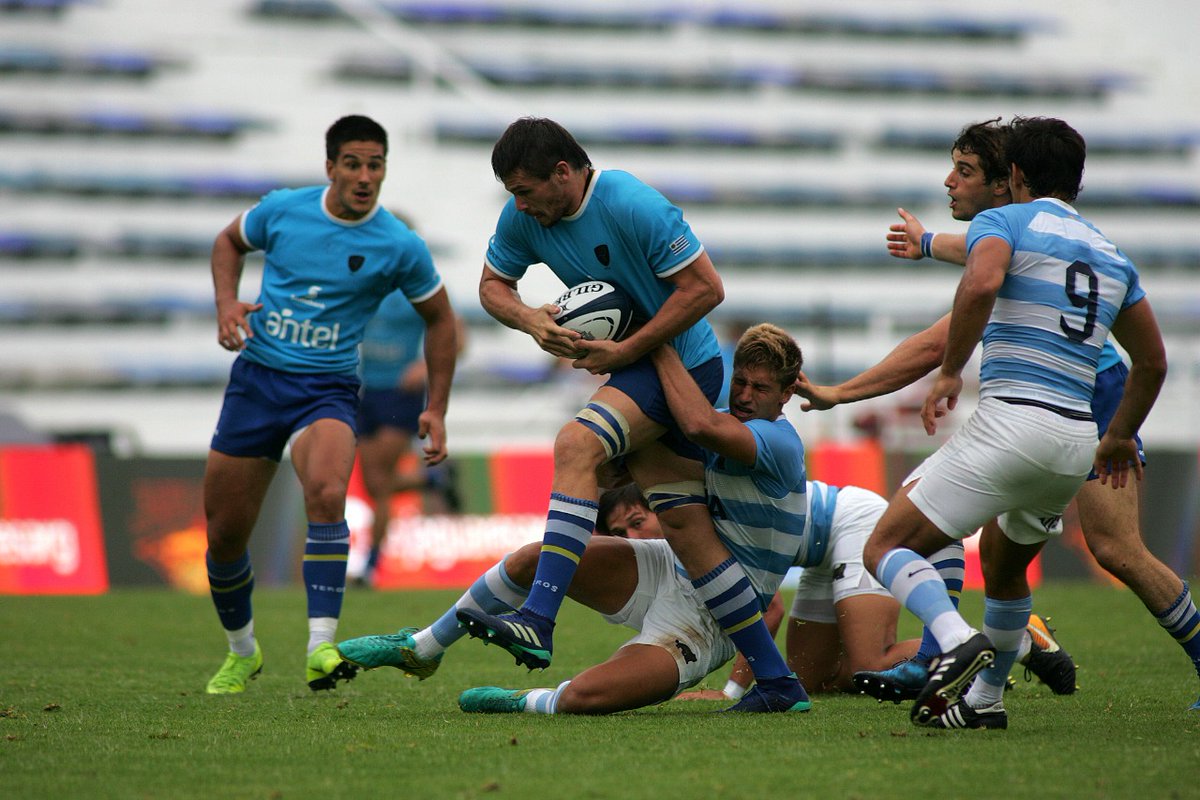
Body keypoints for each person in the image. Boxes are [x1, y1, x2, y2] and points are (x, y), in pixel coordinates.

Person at [806, 118, 1200, 712]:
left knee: (900, 539)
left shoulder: (1007, 232)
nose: (950, 182)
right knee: (999, 557)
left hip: (1063, 405)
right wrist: (923, 246)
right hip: (1077, 430)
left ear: (1008, 180)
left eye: (965, 171)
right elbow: (1154, 359)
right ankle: (981, 697)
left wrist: (944, 373)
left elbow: (965, 301)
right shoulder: (1105, 251)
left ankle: (953, 643)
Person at [456, 117, 808, 711]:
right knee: (685, 530)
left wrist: (627, 349)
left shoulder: (630, 203)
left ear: (563, 173)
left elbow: (705, 289)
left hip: (686, 365)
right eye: (512, 193)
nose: (518, 205)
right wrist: (529, 318)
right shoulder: (523, 216)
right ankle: (777, 681)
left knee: (576, 445)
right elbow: (493, 285)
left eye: (525, 190)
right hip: (634, 364)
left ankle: (538, 617)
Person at [339, 324, 811, 714]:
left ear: (788, 393)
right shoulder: (727, 419)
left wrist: (651, 339)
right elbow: (627, 473)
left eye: (761, 388)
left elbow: (698, 426)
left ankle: (527, 699)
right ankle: (422, 647)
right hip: (673, 565)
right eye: (741, 382)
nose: (746, 395)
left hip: (715, 617)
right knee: (534, 560)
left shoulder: (779, 442)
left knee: (587, 697)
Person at [201, 114, 458, 694]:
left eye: (375, 165)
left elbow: (441, 319)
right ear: (330, 167)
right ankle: (242, 651)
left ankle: (321, 645)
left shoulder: (397, 244)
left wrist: (436, 406)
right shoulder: (284, 211)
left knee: (326, 491)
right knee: (224, 535)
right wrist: (226, 303)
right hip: (257, 383)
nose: (365, 176)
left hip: (329, 388)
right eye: (353, 163)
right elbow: (227, 241)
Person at [353, 293, 465, 587]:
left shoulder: (415, 285)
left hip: (401, 395)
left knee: (379, 486)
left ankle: (370, 566)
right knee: (373, 484)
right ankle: (432, 480)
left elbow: (457, 334)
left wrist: (425, 367)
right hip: (365, 391)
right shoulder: (367, 283)